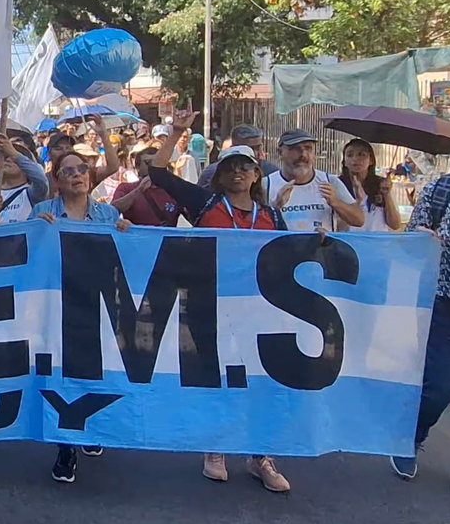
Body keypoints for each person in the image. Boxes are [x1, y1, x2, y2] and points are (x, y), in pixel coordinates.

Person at [148, 111, 291, 492]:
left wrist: (322, 241)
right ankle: (215, 447)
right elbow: (158, 174)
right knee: (215, 376)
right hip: (210, 305)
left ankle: (260, 455)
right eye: (231, 167)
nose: (238, 173)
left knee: (258, 381)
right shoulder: (204, 204)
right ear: (221, 173)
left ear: (256, 174)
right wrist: (176, 133)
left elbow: (288, 257)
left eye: (246, 167)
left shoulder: (273, 216)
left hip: (257, 310)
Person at [29, 150, 130, 483]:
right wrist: (33, 230)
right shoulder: (43, 212)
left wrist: (126, 233)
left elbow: (121, 259)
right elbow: (28, 254)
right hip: (56, 304)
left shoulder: (108, 214)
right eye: (67, 170)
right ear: (57, 180)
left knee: (94, 370)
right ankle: (65, 446)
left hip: (96, 303)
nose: (77, 174)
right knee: (59, 374)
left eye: (82, 168)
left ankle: (91, 427)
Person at [395, 170, 450, 486]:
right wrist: (423, 236)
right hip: (444, 302)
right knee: (440, 388)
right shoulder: (440, 190)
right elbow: (409, 242)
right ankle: (411, 437)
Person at [264, 129, 365, 232]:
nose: (303, 154)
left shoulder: (329, 181)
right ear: (280, 153)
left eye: (308, 148)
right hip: (283, 247)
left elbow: (359, 220)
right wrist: (275, 207)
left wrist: (336, 202)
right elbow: (253, 227)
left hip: (321, 247)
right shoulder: (266, 184)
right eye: (295, 149)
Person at [0, 136, 50, 225]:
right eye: (5, 156)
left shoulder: (31, 193)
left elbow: (41, 179)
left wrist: (15, 154)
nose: (8, 159)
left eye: (13, 158)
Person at [339, 139, 401, 232]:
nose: (355, 159)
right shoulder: (337, 185)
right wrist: (357, 202)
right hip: (349, 243)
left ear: (371, 160)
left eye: (361, 154)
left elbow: (395, 225)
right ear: (345, 162)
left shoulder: (381, 185)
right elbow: (338, 228)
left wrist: (387, 196)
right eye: (350, 155)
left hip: (377, 243)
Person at [111, 147, 182, 227]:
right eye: (148, 162)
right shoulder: (126, 188)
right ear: (138, 168)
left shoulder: (174, 191)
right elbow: (112, 210)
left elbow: (195, 217)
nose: (153, 166)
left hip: (166, 238)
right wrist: (139, 190)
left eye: (158, 162)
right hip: (136, 237)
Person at [197, 124, 279, 188]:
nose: (256, 153)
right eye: (250, 148)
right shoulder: (213, 172)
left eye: (259, 147)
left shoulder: (271, 172)